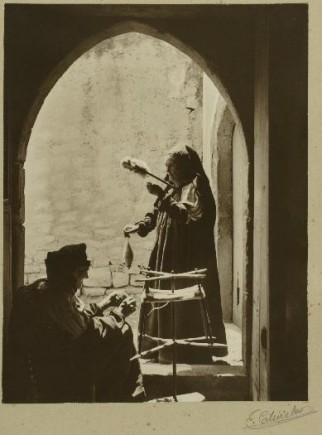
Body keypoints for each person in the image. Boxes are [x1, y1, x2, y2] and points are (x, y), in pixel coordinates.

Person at [124, 145, 228, 364]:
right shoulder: (172, 186)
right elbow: (157, 211)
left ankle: (186, 353)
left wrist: (162, 194)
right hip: (165, 253)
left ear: (184, 167)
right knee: (162, 298)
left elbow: (184, 215)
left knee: (182, 303)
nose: (168, 171)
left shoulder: (197, 188)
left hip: (185, 258)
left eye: (172, 166)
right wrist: (141, 226)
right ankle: (159, 348)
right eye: (166, 166)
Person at [6, 243, 145, 403]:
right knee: (122, 331)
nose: (86, 278)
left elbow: (77, 319)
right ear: (73, 274)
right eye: (83, 273)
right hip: (55, 373)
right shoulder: (57, 298)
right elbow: (88, 332)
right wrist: (120, 314)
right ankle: (119, 396)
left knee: (113, 327)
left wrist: (104, 303)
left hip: (50, 359)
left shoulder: (46, 287)